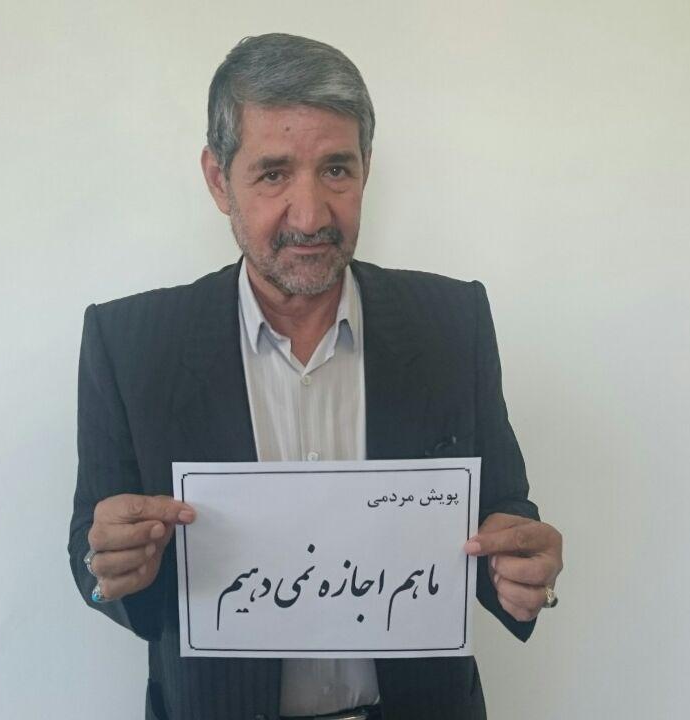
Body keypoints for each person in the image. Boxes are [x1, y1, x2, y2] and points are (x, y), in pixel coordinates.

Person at [68, 33, 564, 720]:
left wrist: (522, 565)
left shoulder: (453, 323)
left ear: (366, 169)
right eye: (273, 174)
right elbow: (90, 550)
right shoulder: (130, 345)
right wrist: (112, 569)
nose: (310, 215)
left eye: (335, 170)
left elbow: (501, 511)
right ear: (218, 180)